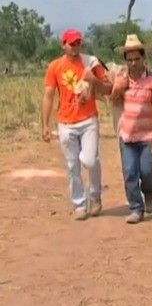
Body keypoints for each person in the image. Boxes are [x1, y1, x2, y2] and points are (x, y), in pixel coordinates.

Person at [41, 29, 112, 221]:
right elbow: (48, 96)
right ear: (63, 45)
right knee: (72, 165)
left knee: (89, 160)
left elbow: (108, 88)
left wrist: (93, 80)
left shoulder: (91, 63)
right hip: (65, 122)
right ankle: (80, 204)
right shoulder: (55, 67)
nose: (75, 47)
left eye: (78, 43)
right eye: (72, 43)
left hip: (88, 119)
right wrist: (45, 125)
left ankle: (95, 195)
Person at [109, 34, 152, 224]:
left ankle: (149, 193)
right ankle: (135, 208)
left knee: (147, 171)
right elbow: (113, 102)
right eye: (129, 60)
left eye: (136, 59)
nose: (133, 63)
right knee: (130, 173)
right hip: (127, 134)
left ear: (143, 58)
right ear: (125, 60)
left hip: (147, 135)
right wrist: (118, 88)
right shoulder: (120, 78)